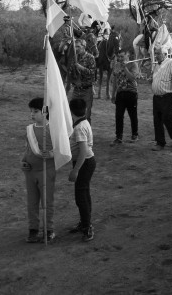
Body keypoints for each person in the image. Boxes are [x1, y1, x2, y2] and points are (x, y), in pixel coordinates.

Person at [21, 98, 56, 243]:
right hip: (30, 171)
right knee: (32, 201)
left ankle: (49, 229)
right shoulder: (29, 129)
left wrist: (53, 153)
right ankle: (33, 229)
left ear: (44, 112)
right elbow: (28, 149)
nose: (32, 114)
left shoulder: (53, 128)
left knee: (47, 201)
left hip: (46, 170)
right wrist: (23, 162)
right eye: (31, 111)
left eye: (35, 111)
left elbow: (62, 148)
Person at [68, 98, 96, 242]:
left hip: (84, 163)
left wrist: (75, 170)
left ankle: (87, 225)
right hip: (86, 162)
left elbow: (83, 151)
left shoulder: (79, 128)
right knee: (84, 193)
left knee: (81, 196)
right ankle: (85, 222)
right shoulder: (84, 122)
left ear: (70, 111)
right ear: (85, 110)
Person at [151, 45, 172, 151]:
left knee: (167, 118)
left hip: (168, 96)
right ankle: (160, 142)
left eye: (158, 53)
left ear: (165, 54)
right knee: (157, 120)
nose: (156, 56)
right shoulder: (156, 65)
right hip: (157, 97)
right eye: (155, 53)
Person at [110, 49, 139, 145]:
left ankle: (135, 134)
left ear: (128, 55)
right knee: (118, 115)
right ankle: (118, 137)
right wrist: (113, 94)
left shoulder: (133, 64)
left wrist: (125, 68)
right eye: (119, 56)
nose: (120, 58)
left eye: (122, 56)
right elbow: (114, 81)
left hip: (131, 93)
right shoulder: (116, 65)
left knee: (132, 115)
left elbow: (132, 78)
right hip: (120, 93)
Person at [69, 38, 96, 122]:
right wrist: (73, 78)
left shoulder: (90, 58)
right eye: (75, 47)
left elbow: (92, 73)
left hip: (86, 90)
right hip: (76, 90)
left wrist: (81, 68)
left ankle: (87, 133)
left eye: (78, 47)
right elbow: (71, 73)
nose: (76, 49)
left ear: (84, 46)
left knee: (86, 115)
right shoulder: (74, 57)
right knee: (72, 113)